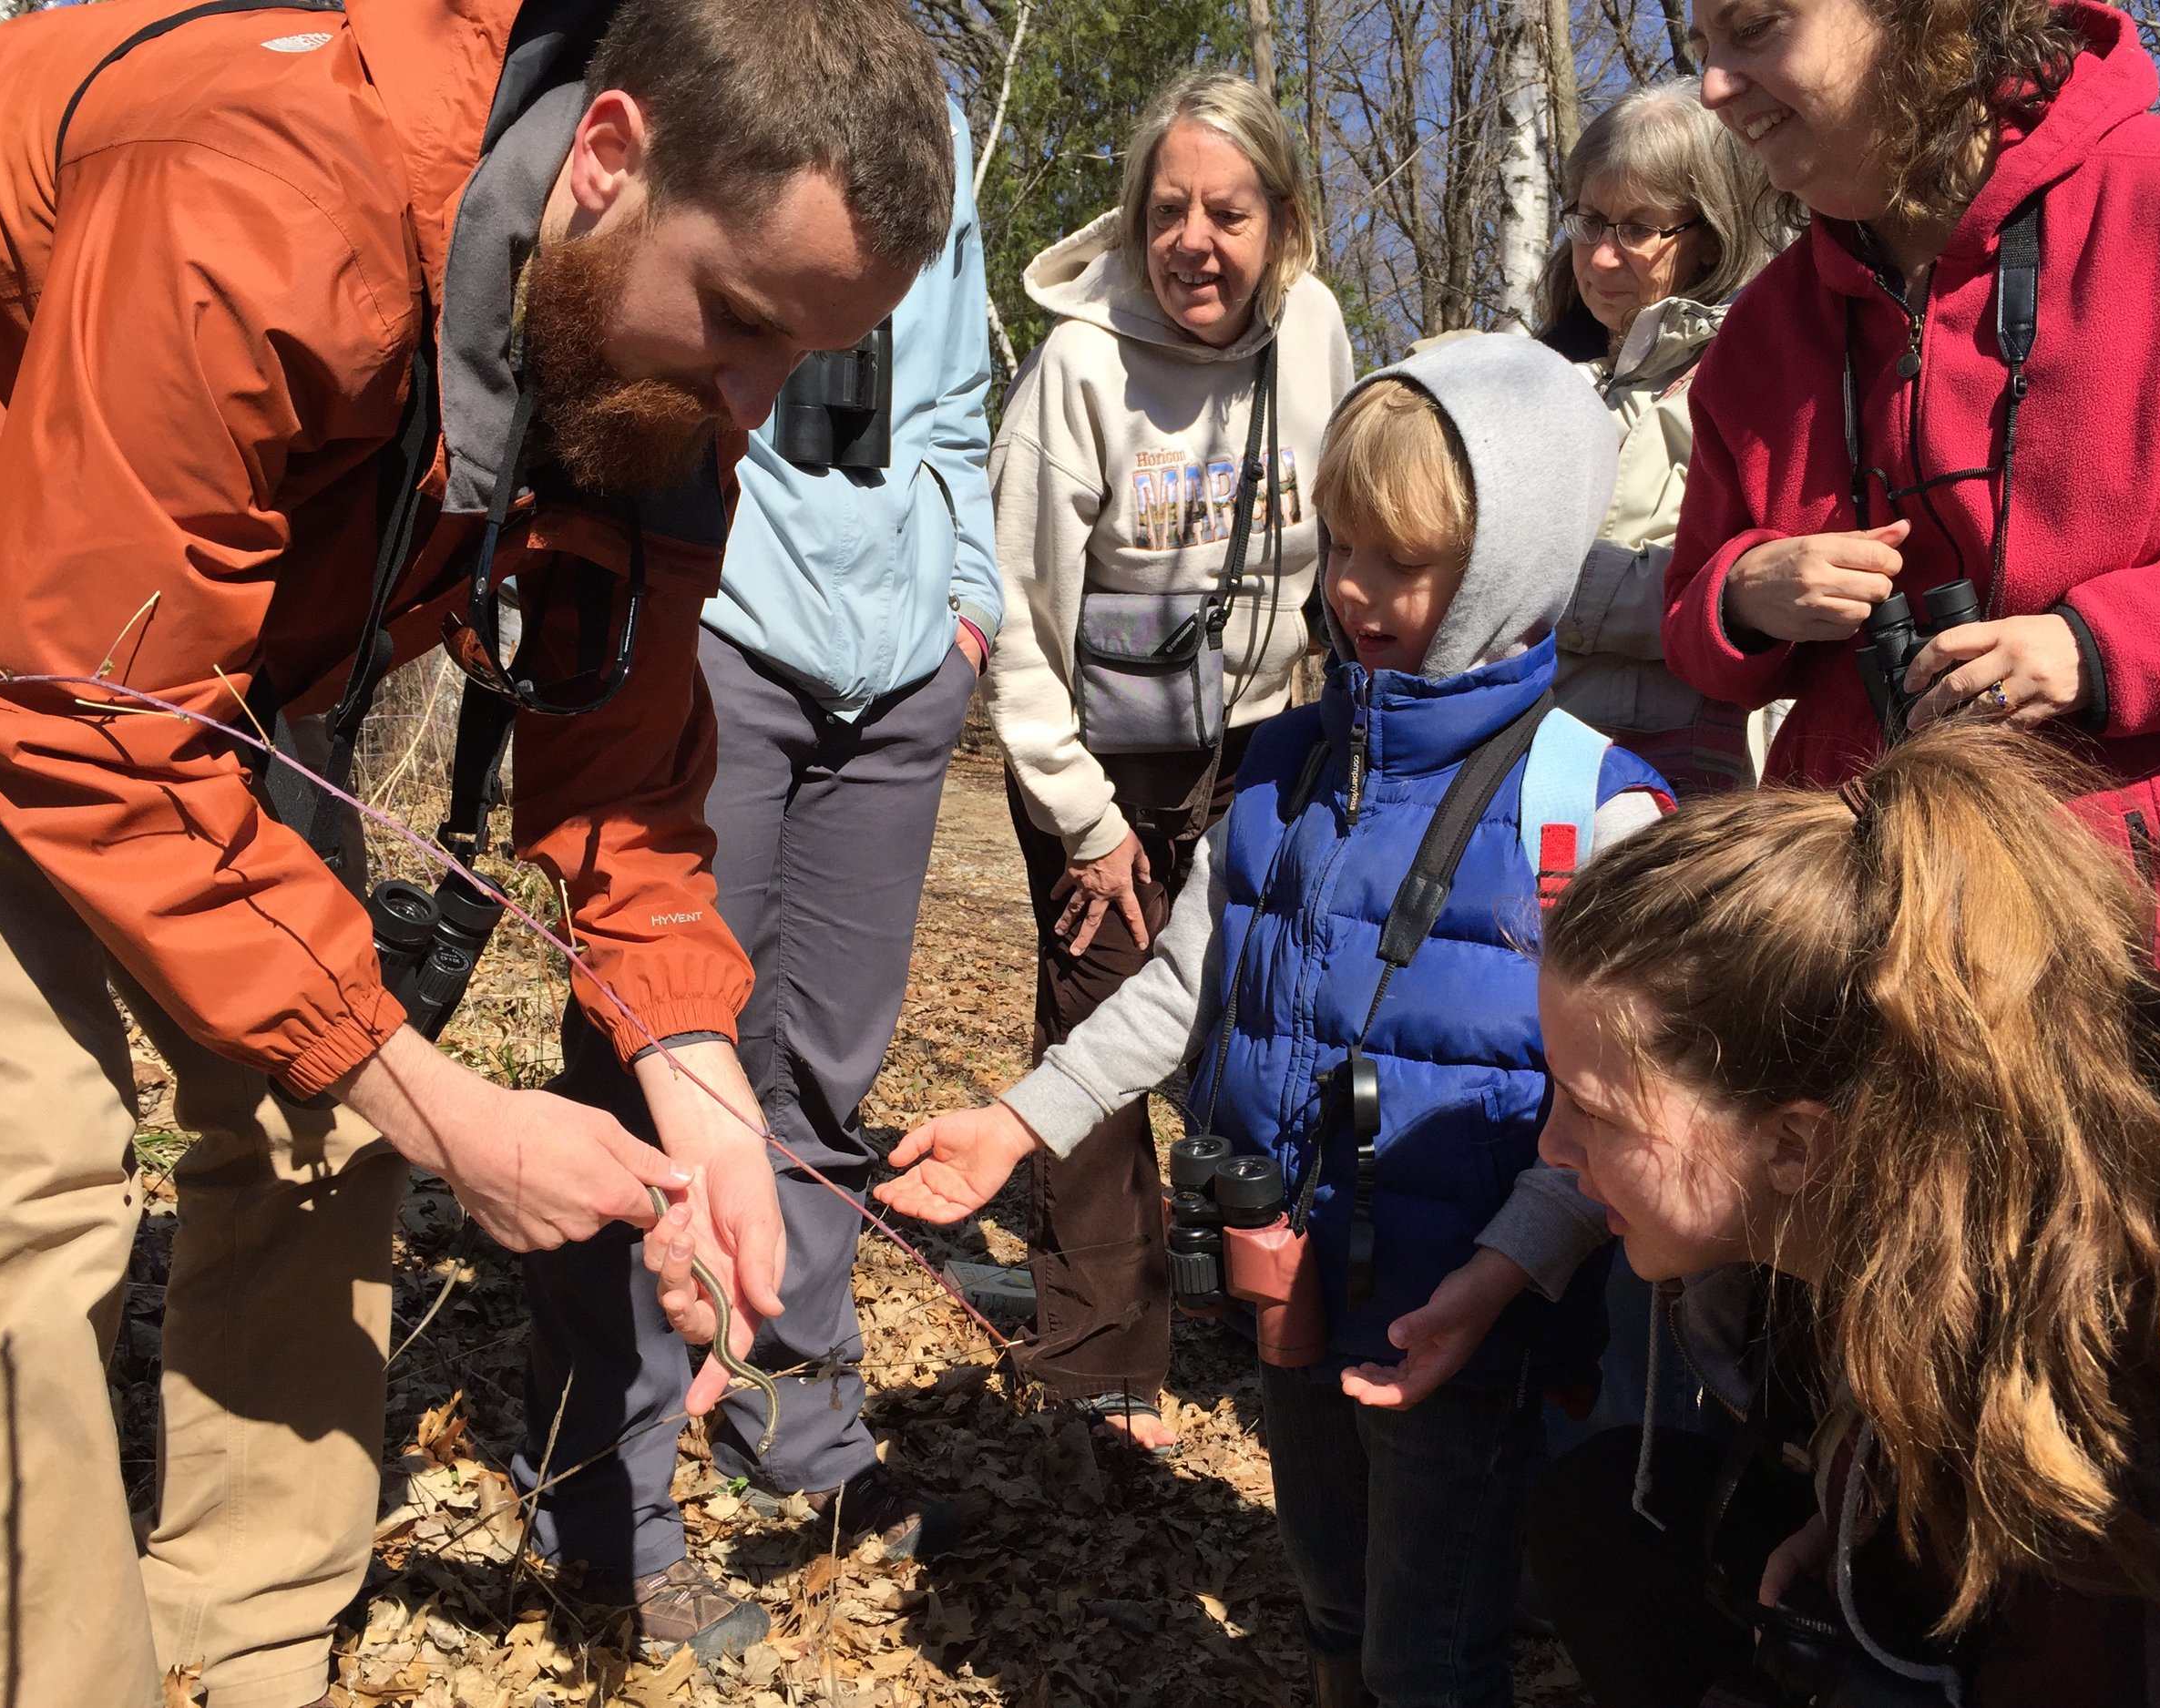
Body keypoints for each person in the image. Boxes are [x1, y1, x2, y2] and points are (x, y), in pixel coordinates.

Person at [0, 0, 954, 1702]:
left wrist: (707, 1104)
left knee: (313, 1112)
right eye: (739, 325)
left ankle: (246, 1651)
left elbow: (628, 784)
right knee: (36, 1164)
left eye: (804, 361)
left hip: (217, 654)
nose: (752, 404)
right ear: (607, 161)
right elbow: (97, 709)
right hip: (59, 612)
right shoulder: (254, 193)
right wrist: (446, 1111)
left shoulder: (653, 371)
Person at [882, 336, 1673, 1707]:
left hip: (1473, 1312)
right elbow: (1189, 985)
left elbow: (1625, 1116)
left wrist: (1502, 1274)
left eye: (1405, 560)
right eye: (1342, 546)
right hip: (1293, 1287)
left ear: (1508, 567)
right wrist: (1023, 1118)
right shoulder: (1290, 763)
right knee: (1330, 1587)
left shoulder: (1589, 804)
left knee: (1433, 1641)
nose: (1356, 588)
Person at [511, 98, 998, 1656]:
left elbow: (955, 402)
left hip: (900, 671)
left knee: (825, 1082)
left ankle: (801, 1428)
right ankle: (605, 1498)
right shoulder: (720, 80)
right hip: (717, 636)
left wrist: (963, 614)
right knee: (653, 1063)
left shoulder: (934, 122)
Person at [1517, 721, 2160, 1707]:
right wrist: (1861, 1519)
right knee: (1613, 1520)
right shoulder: (1896, 1206)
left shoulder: (2136, 1377)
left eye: (1594, 1109)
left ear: (1795, 1143)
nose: (1550, 1147)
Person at [1663, 0, 2160, 1050]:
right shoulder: (1761, 333)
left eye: (1755, 28)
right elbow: (1693, 626)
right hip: (1876, 976)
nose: (1713, 86)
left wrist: (2098, 647)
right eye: (1700, 50)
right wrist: (1744, 593)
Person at [983, 70, 1353, 1451]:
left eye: (1231, 212)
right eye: (1170, 209)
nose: (1197, 240)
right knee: (1099, 1032)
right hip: (1105, 761)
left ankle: (1275, 1309)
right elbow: (1016, 616)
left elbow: (1357, 521)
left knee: (1267, 1022)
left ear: (1284, 226)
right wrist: (1081, 817)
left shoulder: (1313, 331)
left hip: (1265, 733)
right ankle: (1095, 1359)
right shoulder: (1076, 368)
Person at [1536, 78, 1778, 799]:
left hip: (1683, 769)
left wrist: (1559, 590)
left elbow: (1742, 587)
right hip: (1535, 755)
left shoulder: (1751, 374)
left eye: (1637, 229)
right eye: (1588, 221)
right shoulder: (1537, 369)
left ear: (1709, 238)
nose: (1602, 258)